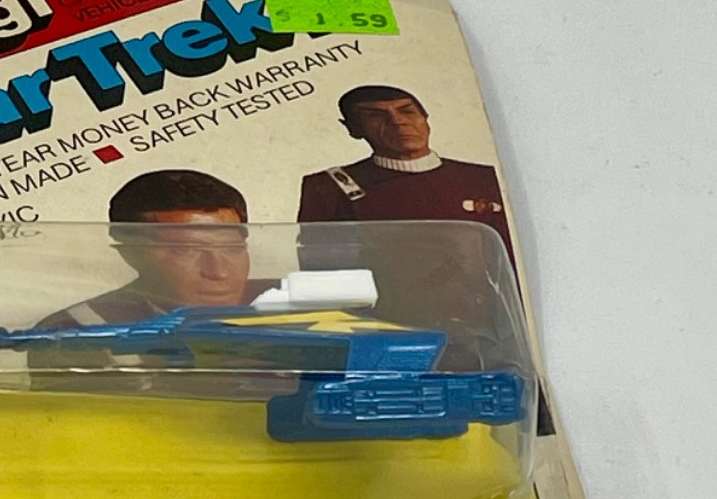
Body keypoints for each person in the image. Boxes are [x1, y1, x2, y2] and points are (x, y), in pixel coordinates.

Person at [297, 85, 513, 263]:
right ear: (353, 128)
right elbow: (321, 270)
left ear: (425, 118)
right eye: (376, 116)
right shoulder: (329, 187)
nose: (397, 121)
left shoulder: (483, 177)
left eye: (407, 111)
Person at [43, 168, 264, 327]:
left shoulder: (277, 301)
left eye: (233, 248)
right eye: (186, 250)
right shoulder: (80, 328)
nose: (218, 272)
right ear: (130, 252)